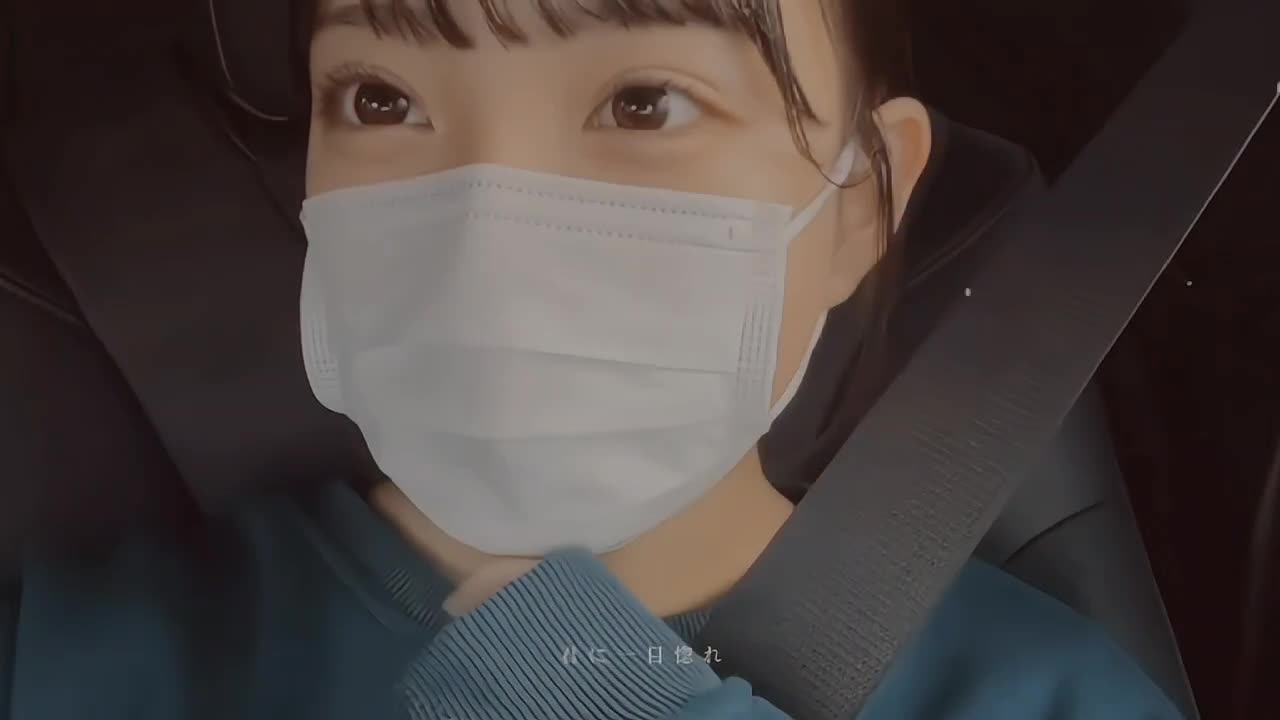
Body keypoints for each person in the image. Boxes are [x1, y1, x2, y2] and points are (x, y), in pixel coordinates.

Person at [0, 1, 1185, 718]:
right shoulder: (74, 660)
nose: (486, 236)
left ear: (861, 203)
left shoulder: (1055, 703)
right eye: (379, 99)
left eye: (644, 104)